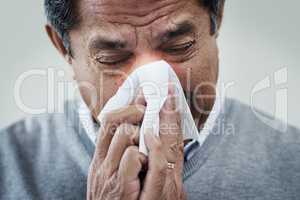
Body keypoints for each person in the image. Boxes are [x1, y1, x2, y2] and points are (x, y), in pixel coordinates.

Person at [1, 0, 300, 199]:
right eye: (111, 57)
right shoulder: (10, 166)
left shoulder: (292, 164)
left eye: (179, 46)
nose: (151, 86)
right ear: (62, 46)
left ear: (216, 19)